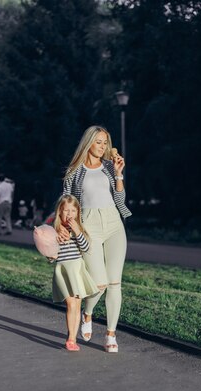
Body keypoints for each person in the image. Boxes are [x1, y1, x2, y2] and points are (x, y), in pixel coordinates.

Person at [61, 125, 131, 353]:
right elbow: (66, 201)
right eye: (98, 142)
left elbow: (120, 200)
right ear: (88, 142)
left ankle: (111, 334)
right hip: (88, 225)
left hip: (113, 224)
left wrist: (119, 174)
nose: (102, 147)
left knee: (115, 283)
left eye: (105, 142)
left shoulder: (110, 167)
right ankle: (88, 312)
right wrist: (64, 226)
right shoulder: (75, 170)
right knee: (99, 284)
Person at [49, 195, 99, 351]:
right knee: (70, 303)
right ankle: (71, 338)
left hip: (76, 270)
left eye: (73, 211)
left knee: (76, 305)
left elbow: (86, 248)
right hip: (63, 271)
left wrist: (77, 231)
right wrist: (50, 255)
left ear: (78, 213)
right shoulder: (55, 230)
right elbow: (50, 253)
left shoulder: (79, 229)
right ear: (59, 212)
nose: (69, 214)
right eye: (65, 211)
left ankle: (72, 338)